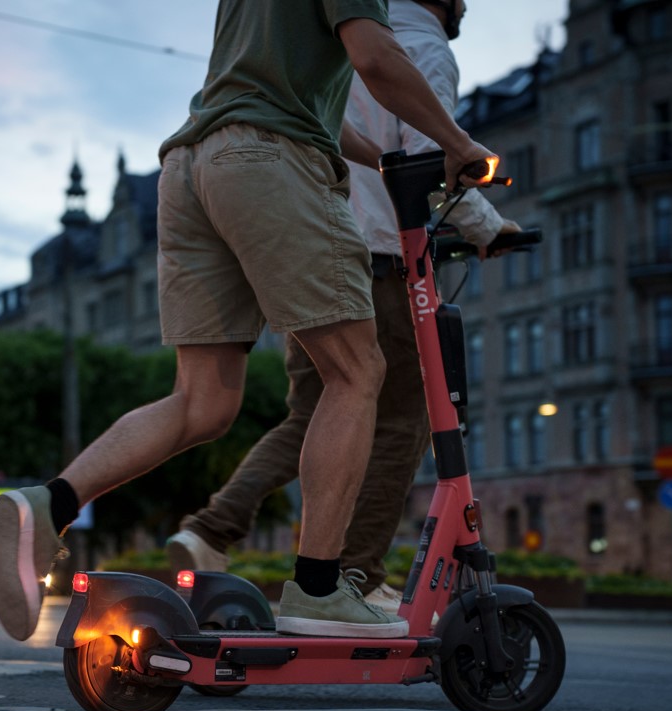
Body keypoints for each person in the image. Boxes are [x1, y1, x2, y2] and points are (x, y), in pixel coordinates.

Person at [0, 0, 498, 643]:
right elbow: (375, 56)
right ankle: (319, 588)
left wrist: (383, 163)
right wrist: (460, 144)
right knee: (358, 370)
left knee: (203, 401)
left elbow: (304, 101)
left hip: (192, 165)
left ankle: (49, 503)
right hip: (269, 161)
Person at [166, 0, 519, 614]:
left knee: (314, 413)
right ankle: (352, 579)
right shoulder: (422, 48)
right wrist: (488, 225)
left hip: (296, 235)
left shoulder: (335, 40)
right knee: (404, 417)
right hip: (379, 256)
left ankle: (210, 528)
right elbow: (429, 163)